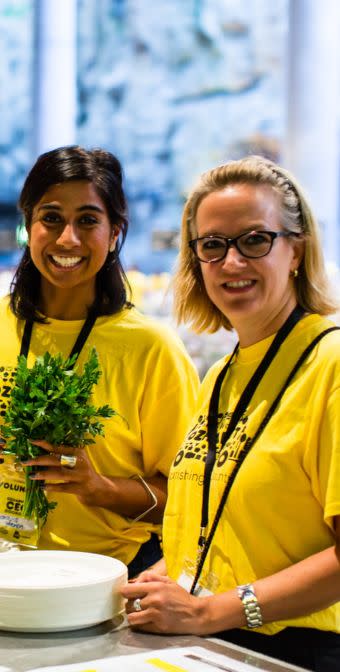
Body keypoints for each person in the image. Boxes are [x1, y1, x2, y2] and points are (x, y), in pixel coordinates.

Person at [122, 155, 340, 671]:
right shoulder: (222, 375)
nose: (232, 262)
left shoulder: (330, 364)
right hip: (216, 646)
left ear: (295, 250)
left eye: (254, 240)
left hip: (297, 652)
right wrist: (170, 572)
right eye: (213, 246)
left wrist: (210, 610)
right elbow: (228, 523)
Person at [0, 145, 199, 577]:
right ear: (28, 227)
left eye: (87, 220)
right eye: (50, 217)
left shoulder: (152, 349)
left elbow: (194, 503)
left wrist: (101, 488)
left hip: (107, 579)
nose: (67, 238)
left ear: (114, 235)